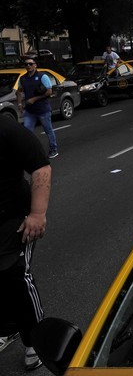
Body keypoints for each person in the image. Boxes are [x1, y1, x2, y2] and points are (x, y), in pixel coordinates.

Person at [0, 117, 51, 370]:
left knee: (14, 273)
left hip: (14, 218)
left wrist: (37, 214)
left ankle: (37, 340)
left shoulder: (7, 129)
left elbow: (41, 168)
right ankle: (8, 327)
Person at [16, 59, 58, 159]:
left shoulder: (42, 76)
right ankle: (30, 152)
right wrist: (19, 104)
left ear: (35, 65)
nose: (28, 66)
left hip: (42, 109)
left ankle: (53, 149)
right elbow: (18, 92)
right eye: (26, 64)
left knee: (48, 130)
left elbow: (49, 91)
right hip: (29, 111)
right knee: (27, 132)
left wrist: (34, 99)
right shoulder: (22, 78)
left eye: (31, 64)